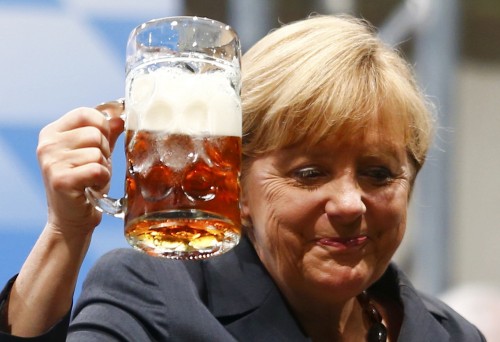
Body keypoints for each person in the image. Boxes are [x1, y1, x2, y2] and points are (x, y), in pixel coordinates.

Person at [0, 14, 486, 341]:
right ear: (236, 184)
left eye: (379, 174)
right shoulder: (155, 297)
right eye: (310, 173)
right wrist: (67, 231)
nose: (349, 203)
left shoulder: (451, 333)